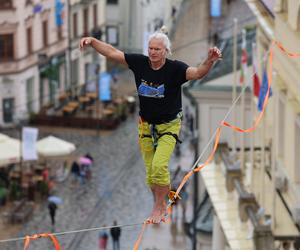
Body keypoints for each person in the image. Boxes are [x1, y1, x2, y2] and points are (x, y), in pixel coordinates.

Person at [79, 26, 222, 223]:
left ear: (166, 51)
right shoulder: (140, 63)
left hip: (168, 126)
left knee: (159, 165)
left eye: (157, 49)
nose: (153, 52)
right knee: (150, 174)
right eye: (151, 48)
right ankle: (159, 202)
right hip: (146, 126)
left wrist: (209, 61)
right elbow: (113, 53)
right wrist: (93, 42)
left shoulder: (176, 69)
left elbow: (197, 73)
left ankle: (159, 205)